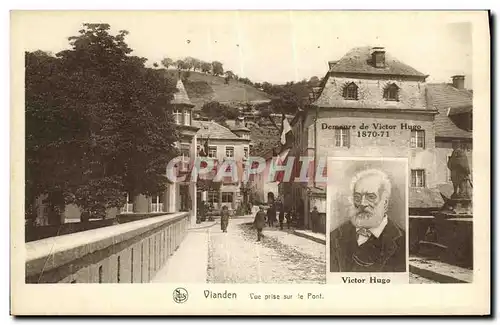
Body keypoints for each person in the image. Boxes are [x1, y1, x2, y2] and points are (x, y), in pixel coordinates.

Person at [330, 169, 406, 273]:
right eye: (357, 197)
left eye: (371, 197)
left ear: (385, 203)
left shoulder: (403, 241)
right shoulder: (335, 236)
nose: (362, 203)